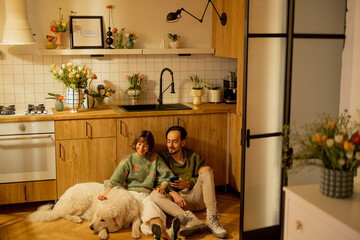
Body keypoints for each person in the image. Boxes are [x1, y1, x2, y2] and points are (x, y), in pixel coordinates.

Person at [98, 130, 180, 240]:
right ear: (135, 144)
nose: (141, 148)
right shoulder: (128, 160)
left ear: (149, 146)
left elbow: (167, 176)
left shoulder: (154, 158)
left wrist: (162, 187)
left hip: (147, 194)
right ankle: (166, 233)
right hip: (131, 195)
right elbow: (115, 180)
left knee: (151, 207)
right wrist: (106, 195)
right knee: (142, 211)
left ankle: (159, 233)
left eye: (145, 145)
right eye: (139, 144)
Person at [150, 126, 228, 239]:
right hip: (176, 203)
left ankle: (212, 219)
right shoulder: (162, 158)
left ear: (183, 142)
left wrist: (188, 183)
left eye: (175, 142)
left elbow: (205, 178)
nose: (170, 145)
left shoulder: (194, 157)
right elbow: (158, 180)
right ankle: (190, 220)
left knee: (207, 170)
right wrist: (173, 193)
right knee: (154, 195)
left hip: (196, 197)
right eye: (168, 141)